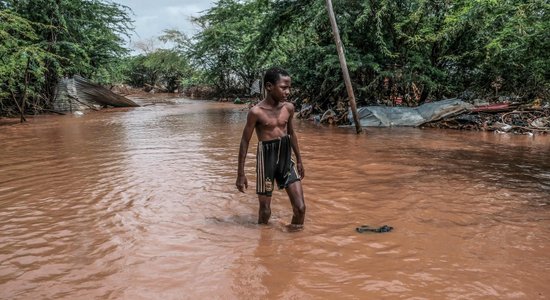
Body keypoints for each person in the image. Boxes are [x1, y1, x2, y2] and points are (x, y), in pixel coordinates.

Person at [236, 67, 306, 229]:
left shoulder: (288, 108)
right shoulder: (256, 112)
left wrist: (300, 161)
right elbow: (245, 141)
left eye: (289, 87)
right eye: (283, 87)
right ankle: (264, 244)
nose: (288, 91)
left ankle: (295, 247)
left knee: (300, 208)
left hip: (286, 158)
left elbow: (292, 134)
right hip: (265, 161)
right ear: (269, 86)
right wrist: (241, 173)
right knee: (265, 211)